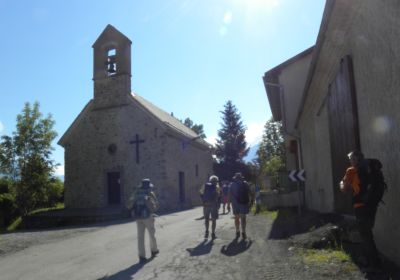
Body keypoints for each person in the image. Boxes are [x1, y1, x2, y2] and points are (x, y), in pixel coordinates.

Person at [340, 151, 381, 271]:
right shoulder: (370, 169)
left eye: (351, 159)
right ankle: (370, 260)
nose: (350, 161)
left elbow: (344, 188)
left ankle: (375, 264)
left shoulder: (351, 170)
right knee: (367, 233)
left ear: (356, 159)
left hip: (360, 207)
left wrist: (341, 184)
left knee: (365, 235)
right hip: (372, 205)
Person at [129, 178, 159, 263]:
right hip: (148, 217)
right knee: (151, 234)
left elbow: (130, 202)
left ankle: (141, 256)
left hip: (138, 217)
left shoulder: (136, 192)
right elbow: (156, 205)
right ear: (149, 185)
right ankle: (154, 250)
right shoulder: (150, 193)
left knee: (140, 236)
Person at [229, 172, 251, 240]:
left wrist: (228, 205)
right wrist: (250, 202)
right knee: (243, 218)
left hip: (235, 204)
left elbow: (229, 195)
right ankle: (243, 232)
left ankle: (237, 231)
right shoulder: (245, 183)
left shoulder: (232, 184)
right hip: (243, 203)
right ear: (241, 177)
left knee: (236, 218)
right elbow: (249, 193)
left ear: (235, 178)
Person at [199, 175, 221, 239]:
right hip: (214, 205)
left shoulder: (205, 185)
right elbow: (219, 196)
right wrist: (218, 205)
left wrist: (203, 201)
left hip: (206, 205)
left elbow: (200, 193)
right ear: (216, 181)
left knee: (206, 219)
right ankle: (213, 233)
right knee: (213, 220)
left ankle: (206, 231)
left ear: (210, 180)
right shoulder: (217, 187)